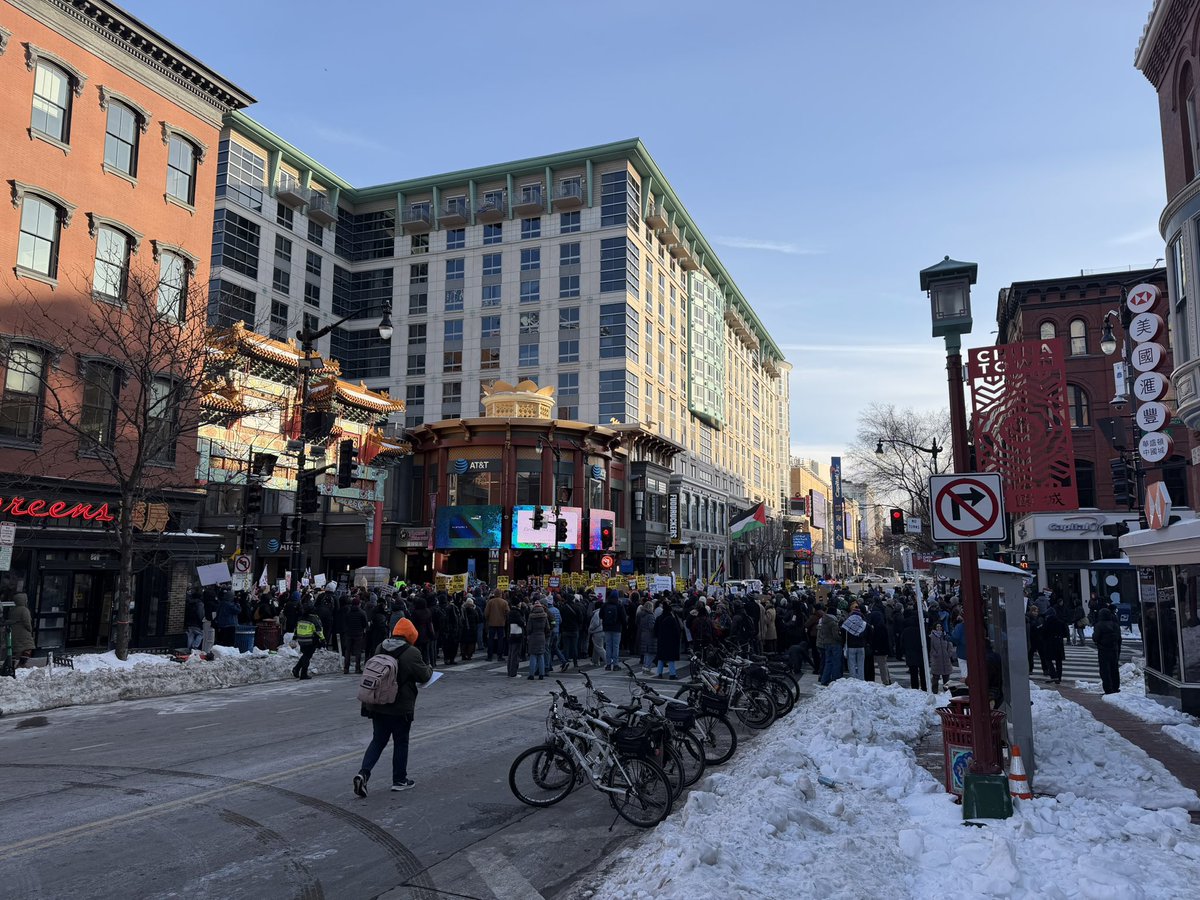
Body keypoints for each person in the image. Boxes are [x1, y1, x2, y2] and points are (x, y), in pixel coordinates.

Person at [353, 618, 433, 797]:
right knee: (401, 741)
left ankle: (363, 773)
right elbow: (424, 676)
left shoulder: (380, 647)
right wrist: (428, 667)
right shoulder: (412, 652)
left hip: (377, 703)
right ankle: (399, 780)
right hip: (399, 706)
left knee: (378, 741)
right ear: (411, 634)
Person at [1093, 607, 1123, 694]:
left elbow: (1095, 637)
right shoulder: (1115, 625)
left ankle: (1108, 688)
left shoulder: (1099, 625)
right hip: (1114, 649)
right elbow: (1118, 637)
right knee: (1114, 669)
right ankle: (1115, 687)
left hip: (1103, 650)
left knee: (1105, 670)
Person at [292, 601, 325, 680]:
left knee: (305, 655)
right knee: (307, 657)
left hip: (301, 639)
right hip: (310, 640)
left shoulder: (301, 617)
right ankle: (302, 672)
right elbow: (318, 630)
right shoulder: (314, 618)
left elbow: (296, 628)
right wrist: (322, 639)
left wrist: (295, 636)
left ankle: (297, 670)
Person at [653, 603, 682, 679]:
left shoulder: (659, 618)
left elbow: (655, 630)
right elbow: (676, 632)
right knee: (671, 658)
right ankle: (672, 674)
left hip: (661, 641)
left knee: (661, 658)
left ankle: (659, 673)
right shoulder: (672, 619)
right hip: (671, 641)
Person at [1041, 607, 1069, 684]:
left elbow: (1043, 633)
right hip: (1059, 643)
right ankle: (1059, 677)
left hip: (1049, 643)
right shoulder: (1060, 622)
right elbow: (1065, 633)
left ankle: (1053, 675)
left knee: (1048, 659)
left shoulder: (1046, 622)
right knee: (1058, 661)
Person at [841, 604, 869, 680]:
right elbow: (869, 633)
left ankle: (852, 679)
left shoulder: (847, 623)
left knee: (851, 664)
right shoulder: (864, 624)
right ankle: (861, 679)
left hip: (851, 646)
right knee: (861, 664)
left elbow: (843, 634)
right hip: (861, 646)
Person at [816, 606, 842, 686]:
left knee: (828, 662)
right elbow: (836, 636)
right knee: (836, 662)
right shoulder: (833, 623)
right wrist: (841, 639)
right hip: (835, 644)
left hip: (826, 643)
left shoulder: (824, 621)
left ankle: (824, 679)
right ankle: (835, 679)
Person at [526, 600, 551, 680]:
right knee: (541, 655)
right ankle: (541, 674)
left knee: (533, 655)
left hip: (533, 637)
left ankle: (531, 674)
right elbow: (547, 628)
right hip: (542, 637)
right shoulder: (545, 616)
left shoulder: (531, 616)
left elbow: (529, 628)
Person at [600, 592, 626, 670]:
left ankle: (608, 664)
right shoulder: (619, 605)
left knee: (608, 646)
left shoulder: (605, 605)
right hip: (617, 628)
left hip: (607, 628)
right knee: (615, 646)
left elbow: (600, 615)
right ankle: (615, 665)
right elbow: (623, 618)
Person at [901, 613, 927, 691]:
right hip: (920, 653)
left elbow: (902, 643)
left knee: (913, 673)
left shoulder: (905, 631)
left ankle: (914, 687)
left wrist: (903, 652)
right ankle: (924, 687)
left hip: (910, 654)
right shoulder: (921, 630)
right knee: (922, 672)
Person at [343, 598, 369, 675]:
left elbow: (345, 621)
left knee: (348, 651)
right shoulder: (362, 612)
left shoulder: (348, 612)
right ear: (359, 604)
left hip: (349, 633)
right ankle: (357, 668)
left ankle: (346, 668)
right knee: (358, 651)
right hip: (358, 633)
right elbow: (365, 624)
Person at [927, 622, 955, 692]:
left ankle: (946, 692)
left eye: (940, 626)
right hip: (936, 660)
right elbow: (930, 647)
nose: (939, 628)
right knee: (935, 677)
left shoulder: (945, 635)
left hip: (946, 659)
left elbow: (950, 645)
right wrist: (935, 654)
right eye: (937, 626)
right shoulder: (932, 636)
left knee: (946, 677)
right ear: (935, 628)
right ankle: (934, 692)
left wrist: (949, 654)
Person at [8, 592, 35, 665]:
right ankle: (21, 665)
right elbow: (27, 623)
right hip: (23, 633)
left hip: (14, 633)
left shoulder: (12, 610)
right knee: (28, 647)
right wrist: (30, 630)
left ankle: (13, 664)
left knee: (17, 649)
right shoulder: (24, 610)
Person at [484, 591, 509, 661]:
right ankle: (500, 655)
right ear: (500, 594)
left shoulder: (490, 602)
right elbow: (507, 612)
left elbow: (486, 613)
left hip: (491, 623)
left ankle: (489, 655)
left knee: (490, 639)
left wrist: (488, 619)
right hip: (501, 623)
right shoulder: (504, 602)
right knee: (500, 640)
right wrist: (504, 618)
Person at [506, 601, 527, 677]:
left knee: (511, 654)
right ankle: (513, 673)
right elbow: (522, 623)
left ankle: (510, 671)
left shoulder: (510, 612)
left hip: (511, 634)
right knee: (515, 654)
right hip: (517, 635)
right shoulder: (517, 613)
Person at [636, 600, 657, 674]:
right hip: (650, 636)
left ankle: (645, 667)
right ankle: (647, 668)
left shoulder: (641, 615)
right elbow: (652, 627)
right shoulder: (650, 616)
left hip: (643, 635)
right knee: (651, 653)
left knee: (646, 653)